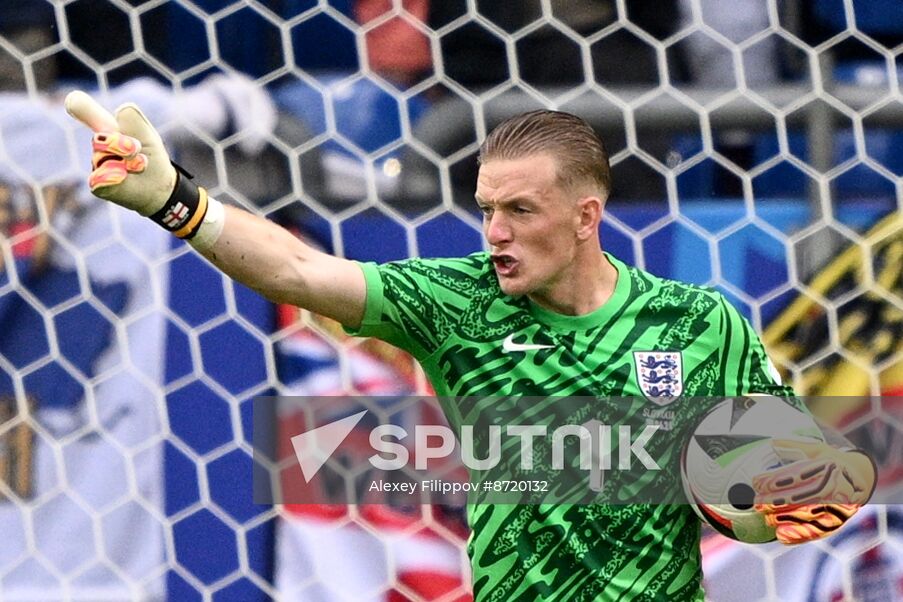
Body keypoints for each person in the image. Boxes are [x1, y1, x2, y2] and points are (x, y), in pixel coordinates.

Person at [65, 93, 876, 600]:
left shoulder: (699, 322)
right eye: (486, 208)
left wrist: (774, 510)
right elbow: (299, 271)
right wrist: (175, 201)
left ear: (587, 217)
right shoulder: (457, 301)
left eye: (519, 211)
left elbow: (777, 499)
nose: (493, 233)